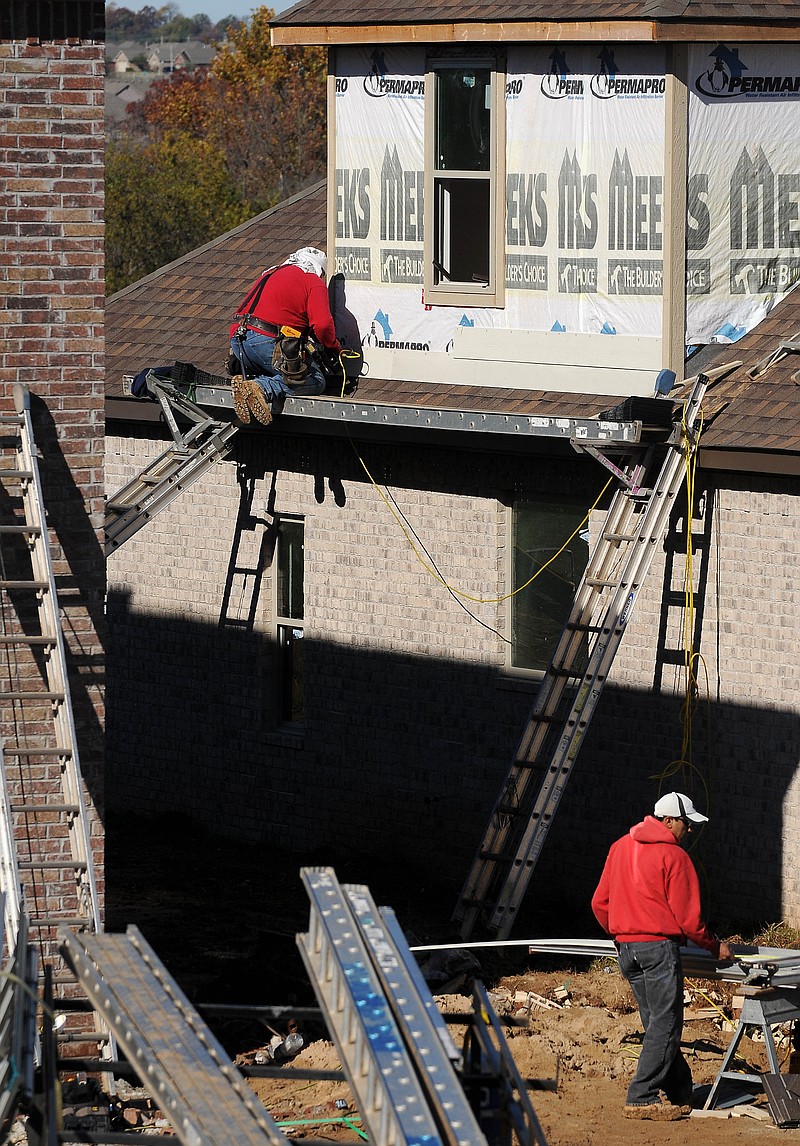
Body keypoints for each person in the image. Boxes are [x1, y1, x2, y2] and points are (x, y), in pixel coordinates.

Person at [591, 791, 733, 1121]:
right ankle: (641, 1096)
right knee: (665, 1024)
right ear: (668, 821)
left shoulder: (619, 847)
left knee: (657, 1023)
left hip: (627, 949)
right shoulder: (675, 857)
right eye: (686, 823)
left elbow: (600, 903)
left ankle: (680, 1090)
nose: (690, 830)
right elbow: (689, 921)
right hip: (657, 950)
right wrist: (715, 946)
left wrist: (620, 933)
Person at [228, 247, 341, 426]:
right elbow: (322, 324)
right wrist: (334, 347)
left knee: (275, 368)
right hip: (265, 342)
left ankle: (247, 382)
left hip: (239, 342)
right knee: (315, 379)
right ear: (319, 269)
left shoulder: (270, 273)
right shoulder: (312, 280)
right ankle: (260, 387)